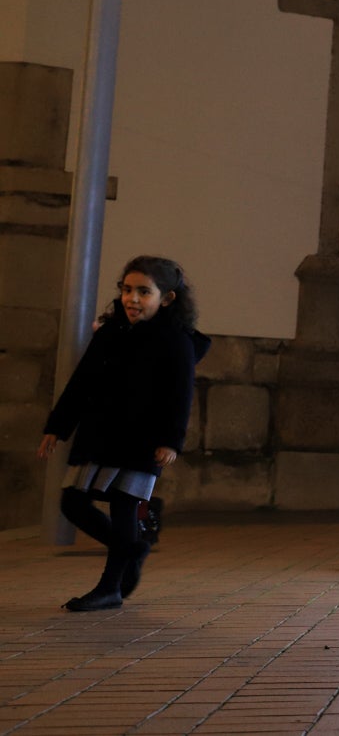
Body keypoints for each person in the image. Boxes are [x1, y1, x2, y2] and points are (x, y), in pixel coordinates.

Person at [37, 256, 210, 611]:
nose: (132, 298)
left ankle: (110, 588)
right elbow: (81, 382)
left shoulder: (175, 341)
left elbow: (181, 394)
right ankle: (133, 548)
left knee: (123, 508)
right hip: (100, 435)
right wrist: (58, 427)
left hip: (143, 441)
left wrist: (171, 441)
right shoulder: (112, 331)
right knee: (72, 501)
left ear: (166, 299)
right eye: (127, 289)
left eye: (143, 292)